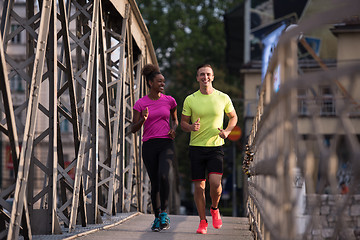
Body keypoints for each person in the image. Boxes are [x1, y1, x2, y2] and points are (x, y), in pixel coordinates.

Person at [180, 64, 238, 234]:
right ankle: (202, 221)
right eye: (202, 75)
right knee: (199, 187)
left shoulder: (223, 97)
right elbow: (183, 123)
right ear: (197, 78)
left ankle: (214, 208)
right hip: (196, 147)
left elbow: (234, 117)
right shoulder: (190, 99)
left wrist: (227, 131)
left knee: (215, 184)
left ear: (212, 77)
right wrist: (191, 128)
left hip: (215, 146)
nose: (205, 77)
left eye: (208, 74)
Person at [131, 64, 178, 232]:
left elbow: (175, 119)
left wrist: (174, 129)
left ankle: (164, 213)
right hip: (149, 145)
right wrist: (143, 119)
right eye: (159, 81)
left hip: (166, 143)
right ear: (150, 83)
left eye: (163, 82)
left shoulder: (170, 100)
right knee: (155, 182)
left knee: (163, 175)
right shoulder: (140, 103)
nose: (162, 84)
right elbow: (132, 128)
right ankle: (157, 217)